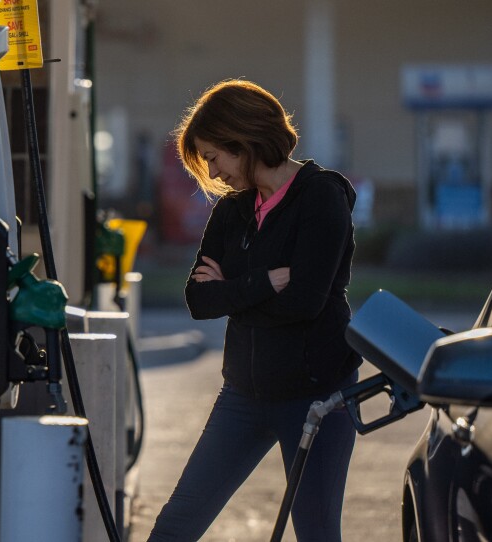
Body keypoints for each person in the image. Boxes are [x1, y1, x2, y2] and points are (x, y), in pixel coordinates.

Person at [148, 79, 363, 541]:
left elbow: (305, 303)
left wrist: (233, 293)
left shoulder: (321, 197)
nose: (213, 170)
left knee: (317, 533)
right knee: (175, 525)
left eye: (213, 156)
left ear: (242, 139)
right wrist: (264, 283)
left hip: (317, 398)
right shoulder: (232, 210)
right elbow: (198, 300)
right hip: (243, 395)